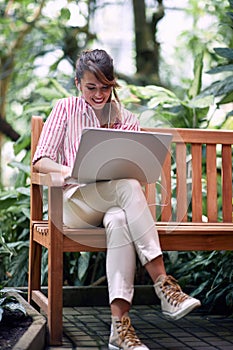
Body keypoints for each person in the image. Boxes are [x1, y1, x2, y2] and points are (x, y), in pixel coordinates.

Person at [33, 49, 201, 350]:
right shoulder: (66, 108)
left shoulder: (126, 119)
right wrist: (74, 169)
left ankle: (120, 330)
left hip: (114, 205)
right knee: (124, 187)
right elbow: (41, 161)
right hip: (74, 205)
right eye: (91, 87)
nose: (99, 94)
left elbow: (135, 175)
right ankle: (164, 285)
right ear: (77, 84)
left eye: (106, 87)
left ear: (114, 84)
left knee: (121, 217)